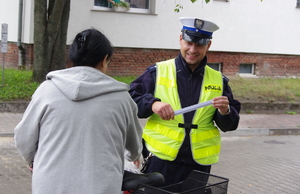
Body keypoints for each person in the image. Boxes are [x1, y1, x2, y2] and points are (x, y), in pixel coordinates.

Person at [14, 28, 143, 194]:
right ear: (104, 60)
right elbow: (133, 147)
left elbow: (23, 139)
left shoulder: (46, 90)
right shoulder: (121, 99)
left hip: (49, 186)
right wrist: (134, 156)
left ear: (72, 58)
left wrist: (34, 162)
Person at [129, 17, 241, 186]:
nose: (192, 50)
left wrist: (225, 112)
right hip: (161, 160)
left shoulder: (219, 80)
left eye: (199, 45)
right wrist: (153, 104)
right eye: (189, 43)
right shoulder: (158, 71)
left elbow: (230, 124)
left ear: (208, 45)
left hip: (198, 164)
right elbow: (130, 99)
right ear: (180, 39)